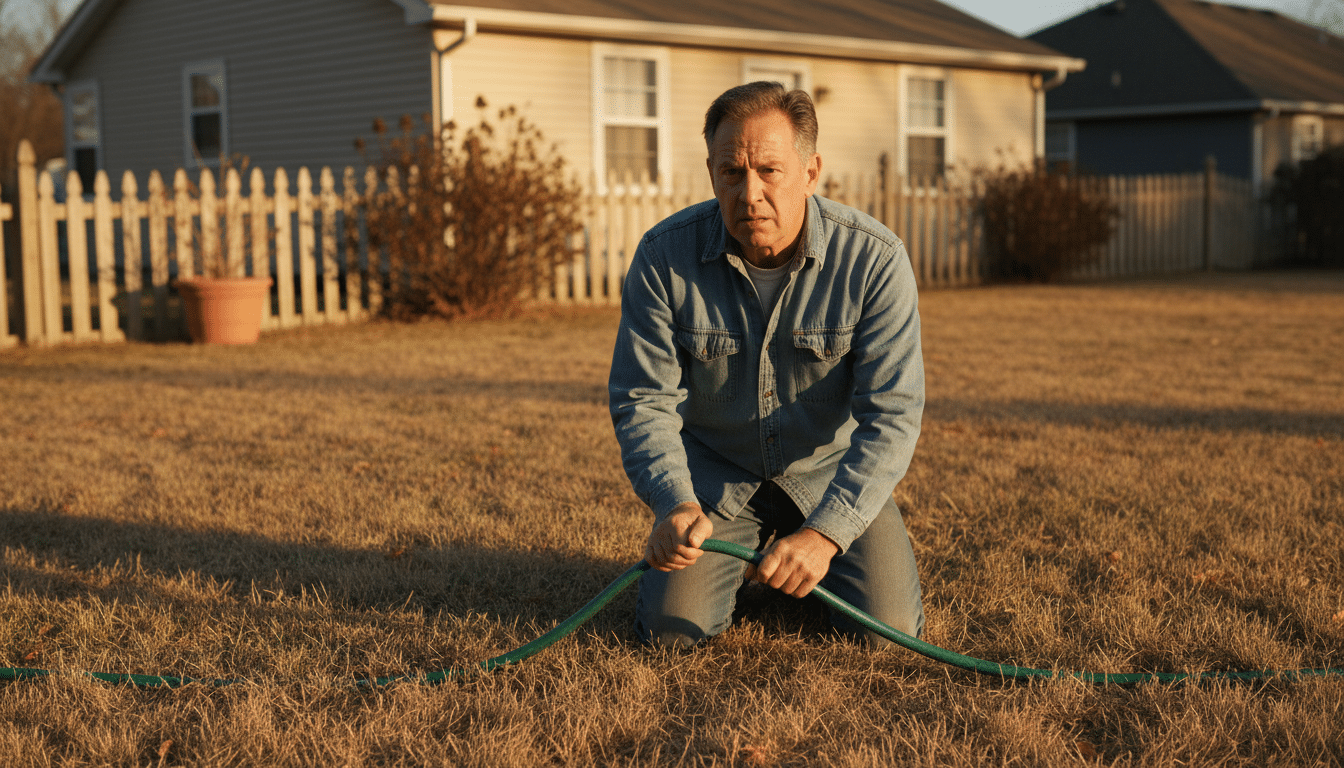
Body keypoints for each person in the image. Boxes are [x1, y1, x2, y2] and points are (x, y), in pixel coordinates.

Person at [608, 81, 925, 649]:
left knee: (891, 635)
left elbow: (894, 416)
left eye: (770, 171)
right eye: (732, 172)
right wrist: (674, 502)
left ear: (811, 170)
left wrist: (827, 535)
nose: (750, 193)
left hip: (828, 475)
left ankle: (798, 564)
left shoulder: (875, 260)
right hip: (716, 480)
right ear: (711, 172)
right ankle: (742, 566)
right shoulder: (663, 258)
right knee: (671, 636)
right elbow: (642, 400)